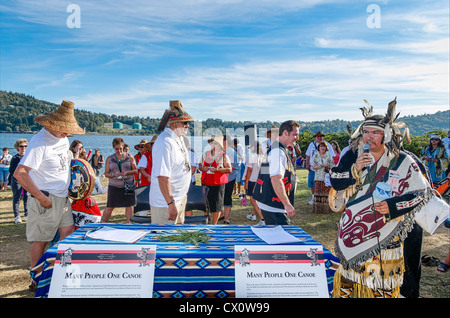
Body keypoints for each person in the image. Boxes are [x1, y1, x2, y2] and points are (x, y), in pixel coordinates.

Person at [329, 98, 433, 298]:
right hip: (352, 230)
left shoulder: (403, 161)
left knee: (381, 284)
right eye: (366, 131)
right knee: (350, 283)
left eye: (375, 132)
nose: (369, 137)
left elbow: (421, 193)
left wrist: (393, 206)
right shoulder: (352, 155)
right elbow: (334, 180)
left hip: (386, 234)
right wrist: (354, 169)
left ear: (386, 135)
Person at [14, 100, 84, 269]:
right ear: (54, 124)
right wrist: (40, 197)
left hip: (62, 197)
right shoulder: (40, 142)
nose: (67, 133)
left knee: (68, 232)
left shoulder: (63, 139)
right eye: (65, 129)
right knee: (41, 240)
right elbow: (20, 173)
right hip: (45, 198)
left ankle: (57, 270)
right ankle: (36, 278)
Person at [150, 100, 194, 224]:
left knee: (178, 237)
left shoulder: (178, 138)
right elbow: (163, 177)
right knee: (165, 240)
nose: (187, 126)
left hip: (179, 199)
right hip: (166, 204)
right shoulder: (165, 143)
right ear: (174, 124)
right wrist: (170, 203)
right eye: (185, 123)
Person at [252, 120, 301, 225]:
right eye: (295, 134)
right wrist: (287, 204)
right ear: (285, 133)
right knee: (280, 239)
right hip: (273, 205)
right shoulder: (277, 152)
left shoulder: (279, 148)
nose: (297, 138)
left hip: (272, 203)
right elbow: (276, 179)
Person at [102, 137, 138, 223]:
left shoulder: (129, 157)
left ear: (123, 147)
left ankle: (129, 224)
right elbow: (106, 173)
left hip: (128, 184)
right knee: (110, 207)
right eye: (116, 149)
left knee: (129, 206)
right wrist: (114, 175)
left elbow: (136, 170)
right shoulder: (109, 159)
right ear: (113, 148)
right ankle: (102, 223)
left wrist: (127, 172)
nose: (119, 151)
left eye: (121, 148)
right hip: (114, 186)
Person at [199, 135, 232, 224]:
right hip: (206, 182)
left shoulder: (224, 156)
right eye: (212, 143)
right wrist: (203, 168)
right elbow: (200, 165)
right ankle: (207, 220)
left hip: (218, 184)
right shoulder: (206, 154)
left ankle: (214, 223)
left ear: (220, 145)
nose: (213, 145)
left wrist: (217, 170)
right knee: (205, 203)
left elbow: (229, 169)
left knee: (217, 205)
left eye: (216, 143)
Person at [305, 131, 335, 205]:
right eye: (318, 136)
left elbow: (331, 157)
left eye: (321, 136)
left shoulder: (327, 144)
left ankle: (327, 199)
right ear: (315, 137)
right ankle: (313, 199)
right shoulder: (311, 145)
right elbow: (308, 155)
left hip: (324, 170)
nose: (319, 137)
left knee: (326, 184)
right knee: (312, 184)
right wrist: (307, 164)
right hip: (313, 168)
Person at [244, 140, 266, 225]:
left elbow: (249, 170)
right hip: (261, 180)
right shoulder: (263, 156)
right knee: (257, 199)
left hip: (253, 180)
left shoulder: (251, 156)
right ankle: (253, 215)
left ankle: (263, 219)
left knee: (253, 199)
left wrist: (246, 182)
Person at [311, 141, 335, 213]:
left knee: (326, 193)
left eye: (324, 146)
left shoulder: (329, 155)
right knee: (317, 192)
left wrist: (328, 167)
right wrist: (321, 166)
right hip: (318, 177)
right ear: (319, 147)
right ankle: (318, 209)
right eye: (321, 146)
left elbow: (332, 167)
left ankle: (326, 209)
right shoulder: (315, 155)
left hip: (326, 177)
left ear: (326, 147)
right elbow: (313, 167)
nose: (322, 148)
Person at [9, 139, 28, 223]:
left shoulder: (28, 156)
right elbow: (11, 170)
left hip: (27, 179)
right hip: (17, 179)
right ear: (17, 147)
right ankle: (17, 216)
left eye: (25, 146)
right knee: (16, 198)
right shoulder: (15, 158)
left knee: (27, 197)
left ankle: (27, 215)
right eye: (21, 146)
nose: (23, 148)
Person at [222, 135, 237, 224]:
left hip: (229, 178)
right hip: (225, 178)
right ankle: (222, 215)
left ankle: (226, 219)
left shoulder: (230, 152)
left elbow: (231, 167)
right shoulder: (226, 151)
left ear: (225, 142)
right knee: (223, 197)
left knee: (227, 197)